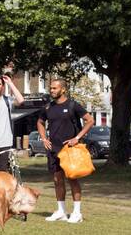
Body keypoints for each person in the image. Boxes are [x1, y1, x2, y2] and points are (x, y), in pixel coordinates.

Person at [37, 77, 94, 223]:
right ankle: (61, 211)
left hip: (70, 149)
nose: (52, 91)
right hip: (53, 149)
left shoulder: (73, 105)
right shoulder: (48, 107)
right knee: (57, 180)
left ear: (63, 89)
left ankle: (76, 213)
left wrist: (77, 137)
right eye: (50, 88)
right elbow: (40, 122)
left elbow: (90, 120)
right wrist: (44, 138)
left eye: (54, 88)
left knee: (72, 179)